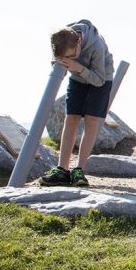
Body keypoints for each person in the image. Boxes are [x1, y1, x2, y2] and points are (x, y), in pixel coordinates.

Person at [40, 20, 115, 187]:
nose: (68, 59)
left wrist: (78, 67)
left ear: (79, 42)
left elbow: (99, 79)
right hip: (77, 79)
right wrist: (59, 64)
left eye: (71, 56)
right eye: (64, 58)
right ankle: (62, 169)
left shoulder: (96, 46)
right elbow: (59, 57)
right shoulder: (62, 39)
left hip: (101, 79)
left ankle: (79, 170)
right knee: (71, 118)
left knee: (91, 120)